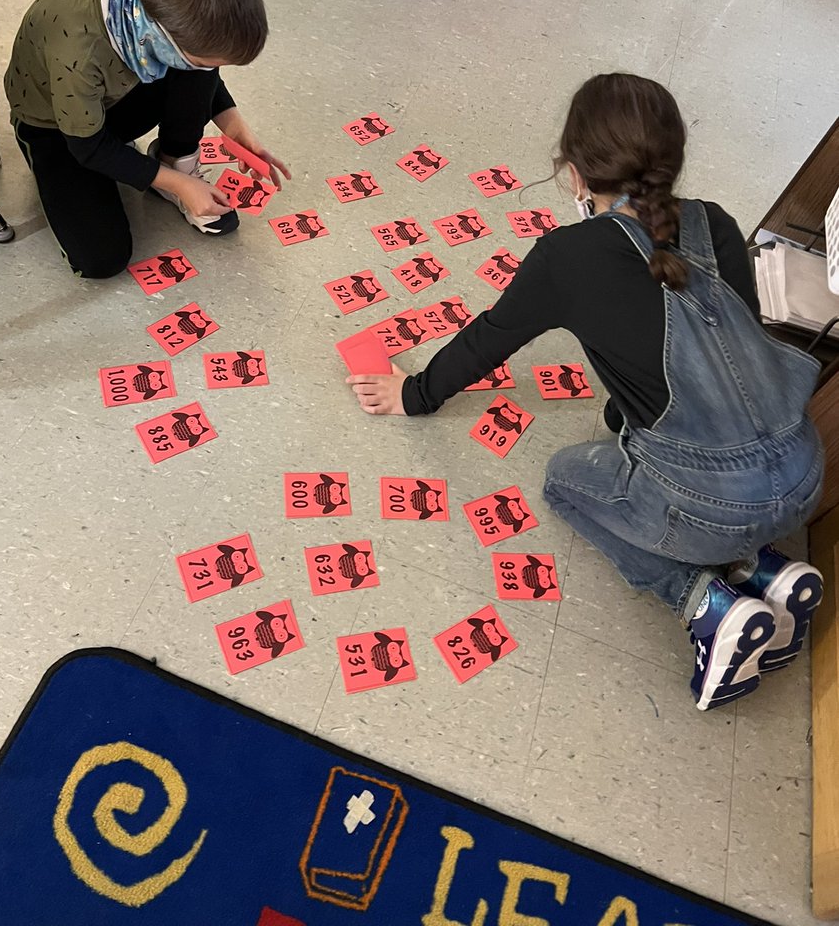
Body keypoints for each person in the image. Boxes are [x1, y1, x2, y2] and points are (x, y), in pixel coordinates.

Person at [346, 73, 825, 711]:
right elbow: (733, 357)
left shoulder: (565, 256)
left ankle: (704, 603)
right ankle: (764, 567)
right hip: (804, 473)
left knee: (566, 481)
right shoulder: (716, 222)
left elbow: (492, 337)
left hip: (709, 501)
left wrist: (414, 393)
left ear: (573, 175)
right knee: (634, 432)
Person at [5, 0, 290, 279]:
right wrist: (180, 187)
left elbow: (199, 69)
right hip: (56, 128)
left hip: (118, 95)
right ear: (160, 40)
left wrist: (234, 127)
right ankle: (166, 176)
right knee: (101, 259)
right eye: (205, 62)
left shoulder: (167, 2)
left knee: (195, 64)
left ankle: (175, 161)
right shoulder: (80, 54)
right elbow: (88, 147)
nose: (208, 69)